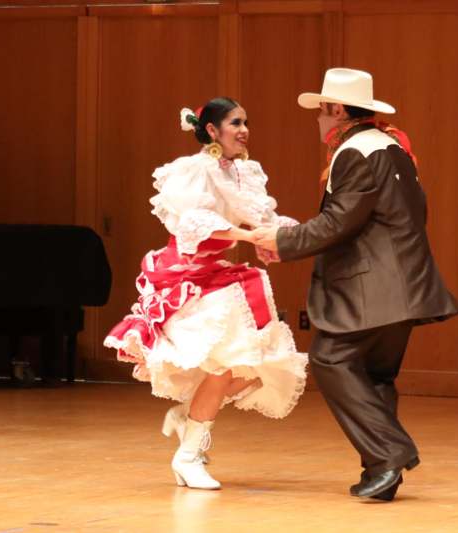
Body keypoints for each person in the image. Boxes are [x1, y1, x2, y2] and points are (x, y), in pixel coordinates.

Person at [254, 68, 458, 501]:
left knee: (330, 359)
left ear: (337, 111)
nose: (318, 119)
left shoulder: (355, 153)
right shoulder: (392, 148)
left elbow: (338, 222)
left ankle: (390, 453)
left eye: (321, 111)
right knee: (375, 375)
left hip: (373, 289)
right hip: (407, 284)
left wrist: (281, 240)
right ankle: (381, 474)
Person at [104, 97, 307, 490]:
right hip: (187, 275)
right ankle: (188, 457)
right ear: (212, 130)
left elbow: (262, 218)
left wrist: (280, 238)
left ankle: (186, 416)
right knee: (222, 365)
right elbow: (197, 223)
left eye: (245, 122)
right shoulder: (194, 170)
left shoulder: (245, 172)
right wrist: (249, 236)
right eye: (235, 123)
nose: (244, 130)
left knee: (259, 368)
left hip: (219, 274)